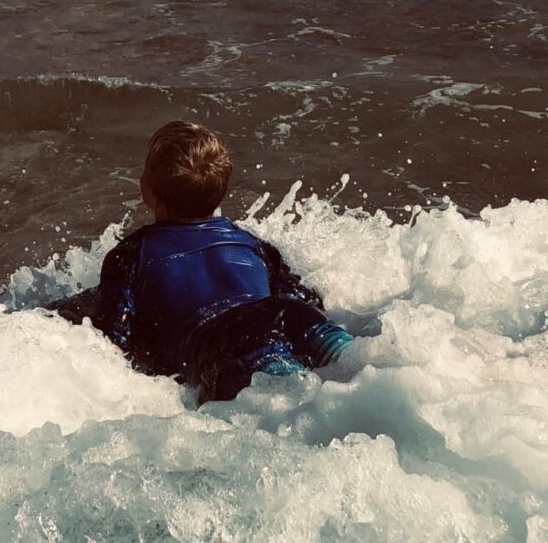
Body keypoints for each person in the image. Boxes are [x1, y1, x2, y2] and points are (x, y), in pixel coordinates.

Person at [89, 120, 353, 403]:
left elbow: (113, 343)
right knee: (358, 366)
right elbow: (305, 298)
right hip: (290, 313)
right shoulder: (253, 244)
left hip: (219, 343)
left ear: (149, 193)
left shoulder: (130, 255)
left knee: (286, 400)